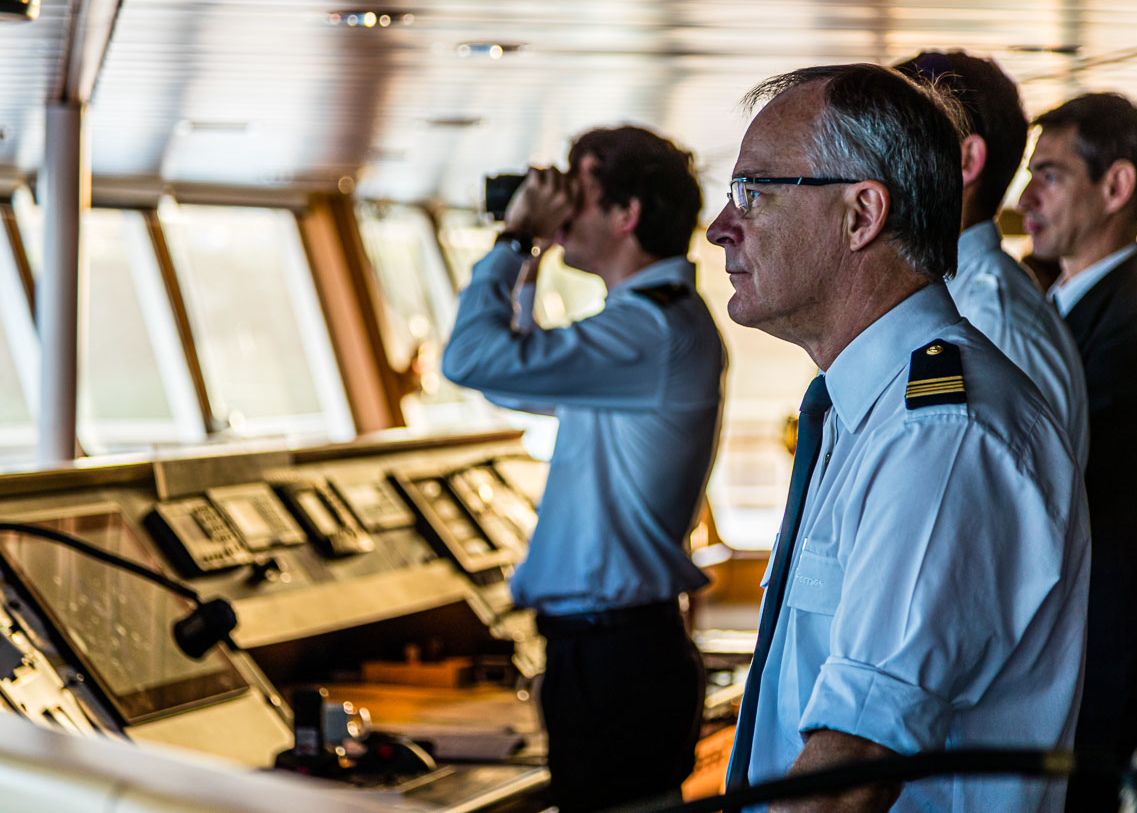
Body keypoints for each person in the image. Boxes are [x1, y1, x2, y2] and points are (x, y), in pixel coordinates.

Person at [706, 63, 1090, 811]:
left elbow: (851, 773)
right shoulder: (866, 412)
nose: (723, 225)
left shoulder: (939, 436)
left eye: (754, 191)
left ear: (862, 214)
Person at [441, 125, 726, 811]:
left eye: (581, 190)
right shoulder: (641, 328)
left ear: (626, 214)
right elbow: (507, 376)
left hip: (618, 655)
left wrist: (516, 242)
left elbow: (471, 359)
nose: (563, 206)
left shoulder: (648, 331)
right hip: (608, 649)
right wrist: (531, 253)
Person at [1019, 93, 1137, 809]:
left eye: (1051, 175)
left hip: (1114, 624)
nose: (1028, 196)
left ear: (1116, 187)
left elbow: (1051, 470)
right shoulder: (1054, 308)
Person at [894, 50, 1089, 466]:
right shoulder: (955, 299)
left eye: (896, 140)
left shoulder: (994, 322)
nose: (870, 163)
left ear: (965, 161)